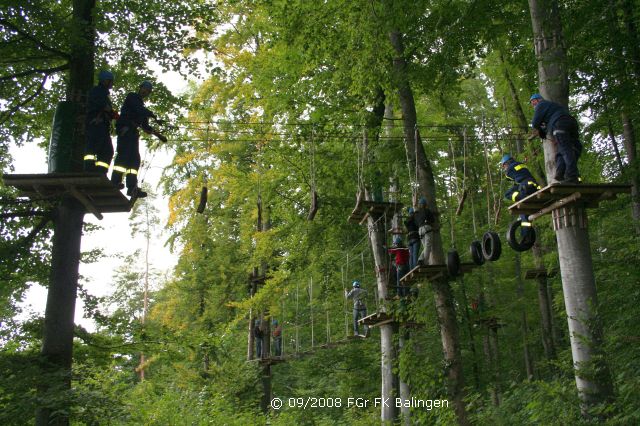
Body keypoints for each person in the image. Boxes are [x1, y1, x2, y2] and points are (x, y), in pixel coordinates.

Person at [111, 81, 167, 199]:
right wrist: (154, 116)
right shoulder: (132, 97)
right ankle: (115, 182)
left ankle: (132, 188)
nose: (145, 92)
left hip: (132, 133)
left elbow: (146, 127)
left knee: (134, 160)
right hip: (125, 130)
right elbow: (139, 109)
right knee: (123, 156)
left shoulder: (142, 108)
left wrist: (159, 135)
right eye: (144, 89)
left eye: (148, 91)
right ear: (140, 88)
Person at [529, 93, 582, 184]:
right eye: (532, 103)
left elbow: (535, 123)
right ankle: (561, 173)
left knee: (565, 149)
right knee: (574, 147)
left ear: (539, 100)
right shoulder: (552, 108)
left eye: (534, 101)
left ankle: (572, 175)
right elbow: (546, 124)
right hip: (571, 122)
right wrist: (544, 129)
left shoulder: (541, 104)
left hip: (559, 124)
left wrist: (541, 132)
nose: (533, 104)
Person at [499, 153, 541, 240]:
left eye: (504, 166)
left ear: (507, 163)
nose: (504, 168)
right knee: (523, 213)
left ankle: (525, 236)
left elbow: (508, 177)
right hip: (533, 186)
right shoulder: (521, 165)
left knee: (508, 194)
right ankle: (526, 235)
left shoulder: (509, 170)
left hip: (526, 187)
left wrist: (507, 171)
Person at [84, 70, 117, 175]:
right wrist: (110, 111)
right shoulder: (97, 90)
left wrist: (112, 114)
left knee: (107, 150)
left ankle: (101, 171)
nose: (111, 83)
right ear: (104, 80)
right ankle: (89, 168)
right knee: (92, 147)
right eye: (110, 81)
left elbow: (106, 108)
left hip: (103, 125)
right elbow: (101, 105)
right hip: (96, 123)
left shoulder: (104, 94)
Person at [414, 197, 435, 265]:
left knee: (426, 247)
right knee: (428, 246)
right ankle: (425, 262)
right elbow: (433, 220)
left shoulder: (417, 214)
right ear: (425, 204)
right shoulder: (427, 211)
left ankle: (420, 259)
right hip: (427, 228)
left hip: (420, 230)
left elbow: (416, 223)